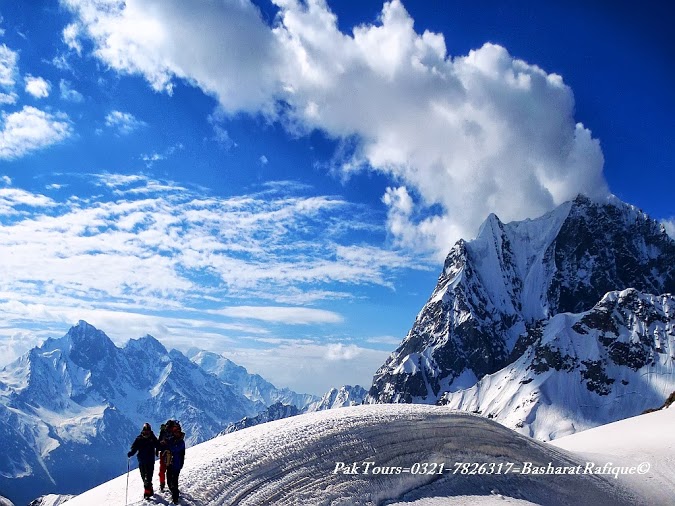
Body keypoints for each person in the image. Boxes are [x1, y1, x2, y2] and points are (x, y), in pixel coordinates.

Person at [128, 423, 160, 499]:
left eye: (148, 431)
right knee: (144, 478)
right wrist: (131, 453)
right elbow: (134, 448)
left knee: (147, 478)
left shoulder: (152, 438)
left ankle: (147, 495)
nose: (146, 432)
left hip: (149, 461)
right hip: (142, 462)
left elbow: (157, 445)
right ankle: (150, 490)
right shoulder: (139, 439)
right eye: (145, 431)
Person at [164, 424, 186, 504]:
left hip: (177, 464)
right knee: (169, 480)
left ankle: (175, 498)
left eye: (178, 431)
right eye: (175, 432)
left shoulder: (181, 442)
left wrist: (167, 445)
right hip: (170, 463)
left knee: (174, 481)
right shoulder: (172, 440)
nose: (176, 433)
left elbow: (175, 449)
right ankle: (174, 492)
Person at [156, 420, 177, 491]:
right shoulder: (172, 432)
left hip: (165, 453)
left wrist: (158, 448)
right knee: (168, 470)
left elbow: (159, 441)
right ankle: (168, 485)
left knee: (163, 470)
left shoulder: (163, 432)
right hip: (169, 453)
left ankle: (163, 484)